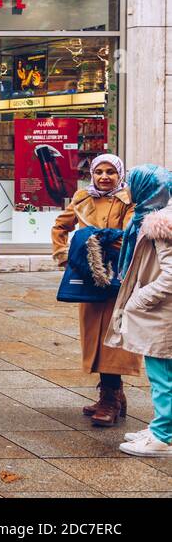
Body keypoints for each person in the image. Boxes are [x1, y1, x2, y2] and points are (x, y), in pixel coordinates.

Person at [51, 153, 140, 426]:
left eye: (110, 172)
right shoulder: (82, 198)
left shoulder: (129, 200)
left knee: (114, 340)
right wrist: (65, 256)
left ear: (119, 175)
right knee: (95, 338)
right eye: (99, 171)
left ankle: (110, 398)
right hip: (90, 277)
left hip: (119, 278)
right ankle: (112, 393)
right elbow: (60, 226)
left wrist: (95, 239)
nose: (104, 177)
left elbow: (130, 237)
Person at [105, 167, 172, 457]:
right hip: (160, 314)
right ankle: (162, 427)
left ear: (145, 187)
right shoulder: (150, 217)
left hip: (161, 315)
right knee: (162, 374)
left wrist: (138, 300)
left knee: (162, 377)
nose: (125, 187)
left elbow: (170, 276)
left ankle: (162, 436)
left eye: (130, 183)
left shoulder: (161, 224)